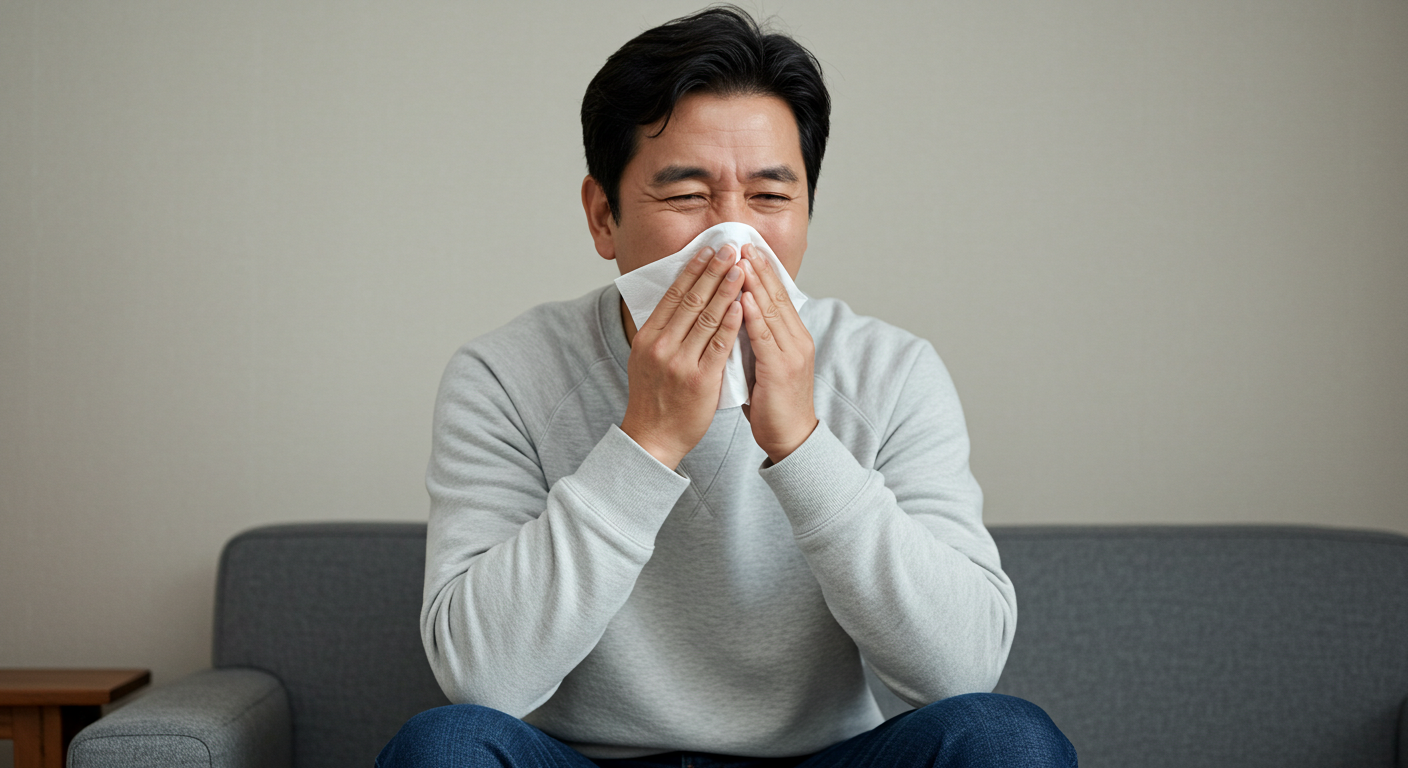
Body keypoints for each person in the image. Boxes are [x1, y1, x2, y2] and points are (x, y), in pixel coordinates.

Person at [379, 6, 1076, 767]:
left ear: (808, 211)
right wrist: (647, 440)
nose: (733, 236)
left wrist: (803, 444)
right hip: (583, 759)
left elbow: (963, 671)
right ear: (603, 215)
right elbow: (482, 677)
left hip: (821, 760)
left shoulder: (894, 371)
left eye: (771, 197)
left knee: (1007, 738)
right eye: (686, 196)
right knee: (442, 747)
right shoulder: (506, 374)